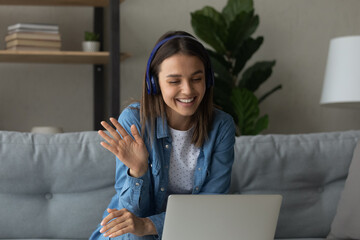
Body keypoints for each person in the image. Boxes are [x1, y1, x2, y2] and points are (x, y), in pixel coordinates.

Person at [89, 30, 235, 240]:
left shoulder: (222, 126)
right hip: (132, 234)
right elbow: (132, 213)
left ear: (208, 80)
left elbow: (211, 205)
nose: (187, 90)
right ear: (154, 83)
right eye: (174, 81)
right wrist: (137, 170)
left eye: (196, 79)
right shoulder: (134, 121)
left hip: (188, 231)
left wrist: (150, 225)